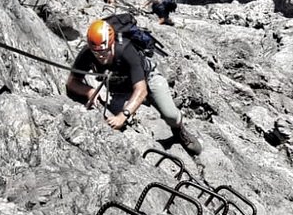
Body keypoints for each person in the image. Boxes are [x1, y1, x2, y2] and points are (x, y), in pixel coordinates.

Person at [66, 19, 202, 155]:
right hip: (120, 87)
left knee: (171, 115)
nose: (100, 56)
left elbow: (141, 89)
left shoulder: (125, 50)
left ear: (111, 43)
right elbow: (72, 82)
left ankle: (179, 131)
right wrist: (89, 91)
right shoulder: (88, 53)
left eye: (104, 51)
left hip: (148, 79)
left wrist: (123, 115)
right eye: (96, 52)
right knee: (113, 123)